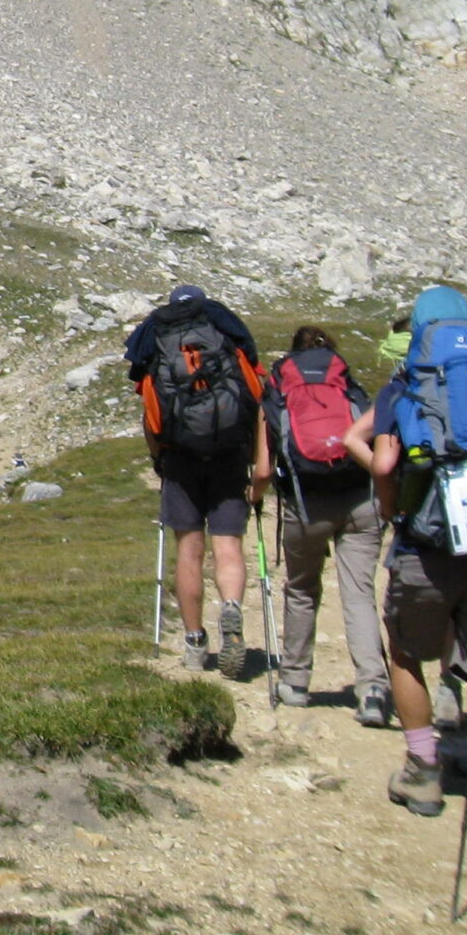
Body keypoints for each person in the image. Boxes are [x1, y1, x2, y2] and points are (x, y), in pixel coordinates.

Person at [343, 285, 467, 858]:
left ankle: (423, 768)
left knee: (405, 653)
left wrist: (389, 500)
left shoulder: (406, 386)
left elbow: (388, 459)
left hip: (425, 545)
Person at [126, 284, 269, 678]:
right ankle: (232, 610)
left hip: (180, 460)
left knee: (189, 551)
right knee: (228, 546)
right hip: (228, 456)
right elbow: (255, 396)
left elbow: (149, 410)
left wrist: (159, 459)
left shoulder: (159, 338)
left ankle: (194, 642)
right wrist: (256, 461)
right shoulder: (224, 333)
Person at [259, 325, 389, 721]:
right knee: (359, 593)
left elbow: (264, 467)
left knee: (301, 590)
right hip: (359, 499)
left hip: (305, 504)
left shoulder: (279, 391)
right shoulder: (347, 383)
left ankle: (296, 682)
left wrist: (253, 496)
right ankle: (372, 689)